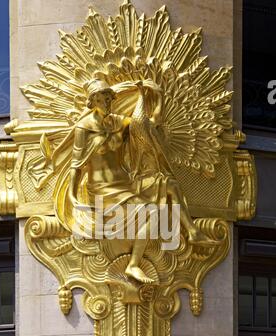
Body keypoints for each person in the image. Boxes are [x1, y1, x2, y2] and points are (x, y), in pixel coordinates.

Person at [66, 78, 215, 284]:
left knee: (170, 184)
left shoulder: (118, 122)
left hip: (126, 184)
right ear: (93, 99)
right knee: (152, 213)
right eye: (104, 97)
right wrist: (72, 195)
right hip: (102, 189)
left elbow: (149, 124)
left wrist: (158, 96)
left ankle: (192, 231)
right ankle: (133, 265)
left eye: (110, 97)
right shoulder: (84, 127)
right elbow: (76, 164)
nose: (109, 101)